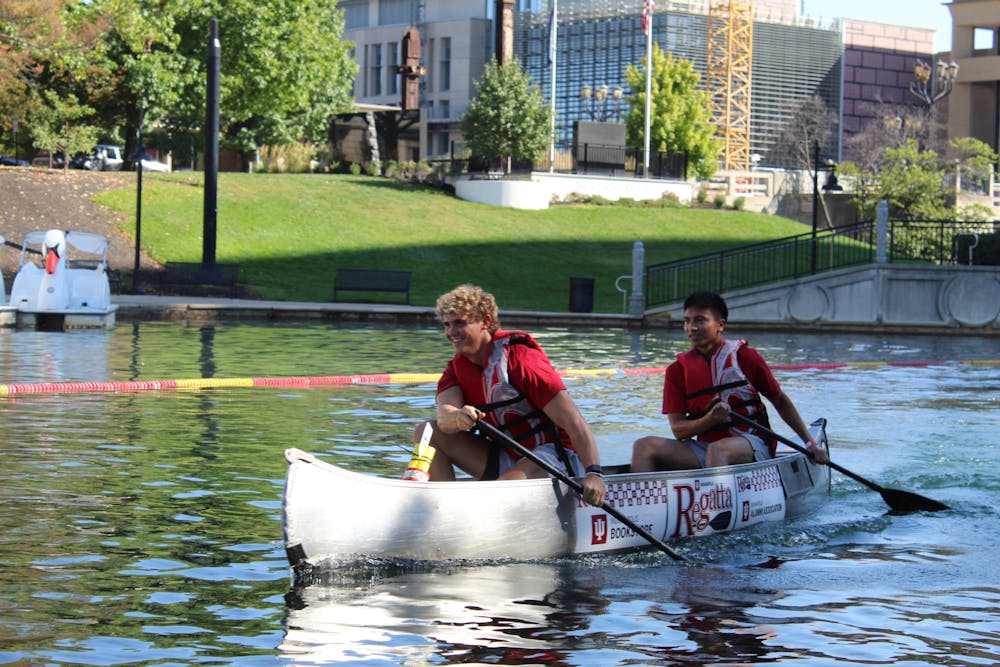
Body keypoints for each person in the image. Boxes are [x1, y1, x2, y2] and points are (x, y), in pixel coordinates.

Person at [416, 284, 606, 507]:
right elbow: (444, 418)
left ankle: (487, 502)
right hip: (508, 453)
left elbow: (572, 419)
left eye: (459, 323)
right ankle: (443, 509)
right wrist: (458, 416)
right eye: (447, 325)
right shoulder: (455, 369)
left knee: (503, 490)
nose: (450, 332)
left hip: (557, 456)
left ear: (485, 322)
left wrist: (594, 474)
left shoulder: (521, 359)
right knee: (427, 431)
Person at [631, 291, 828, 472]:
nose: (691, 328)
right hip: (705, 449)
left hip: (754, 444)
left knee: (718, 451)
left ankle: (716, 507)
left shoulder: (746, 358)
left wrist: (810, 444)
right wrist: (709, 420)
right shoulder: (677, 371)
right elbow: (678, 430)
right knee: (643, 446)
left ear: (721, 325)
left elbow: (780, 401)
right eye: (687, 321)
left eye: (700, 320)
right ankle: (641, 507)